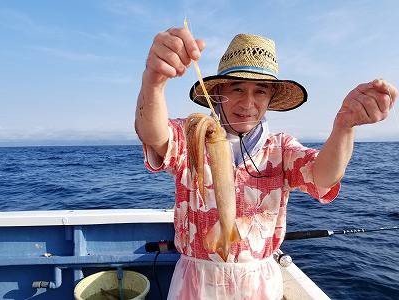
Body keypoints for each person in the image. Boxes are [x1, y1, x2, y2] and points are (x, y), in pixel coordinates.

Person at [134, 27, 397, 300]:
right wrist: (154, 81)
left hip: (259, 283)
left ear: (270, 98)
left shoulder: (282, 148)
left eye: (260, 91)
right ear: (218, 92)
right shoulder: (193, 134)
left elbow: (323, 176)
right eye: (237, 88)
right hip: (195, 282)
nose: (248, 102)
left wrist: (345, 125)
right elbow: (153, 134)